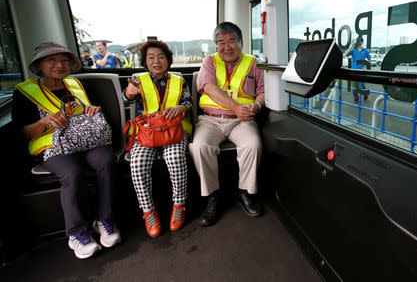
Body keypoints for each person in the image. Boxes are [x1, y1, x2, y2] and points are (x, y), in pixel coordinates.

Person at [12, 42, 121, 259]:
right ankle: (77, 232)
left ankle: (104, 219)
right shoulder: (25, 92)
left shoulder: (75, 85)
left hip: (86, 141)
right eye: (52, 60)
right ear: (39, 65)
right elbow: (23, 133)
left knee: (106, 161)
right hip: (52, 147)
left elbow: (90, 111)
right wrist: (44, 122)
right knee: (72, 173)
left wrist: (92, 109)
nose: (59, 65)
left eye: (64, 60)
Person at [189, 21, 265, 227]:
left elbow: (263, 91)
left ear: (241, 42)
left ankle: (245, 192)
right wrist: (235, 106)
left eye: (231, 40)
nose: (226, 46)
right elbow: (208, 87)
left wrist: (256, 107)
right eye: (220, 42)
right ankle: (213, 196)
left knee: (253, 145)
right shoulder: (210, 61)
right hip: (210, 120)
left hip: (242, 120)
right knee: (200, 147)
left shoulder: (254, 63)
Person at [123, 40, 193, 238]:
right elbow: (126, 98)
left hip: (173, 132)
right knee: (137, 162)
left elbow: (188, 101)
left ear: (168, 60)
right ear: (145, 61)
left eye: (161, 56)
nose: (156, 61)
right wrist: (129, 92)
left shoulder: (179, 81)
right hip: (146, 133)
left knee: (175, 158)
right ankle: (148, 210)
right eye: (151, 57)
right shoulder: (137, 79)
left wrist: (181, 108)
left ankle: (179, 205)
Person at [344, 37, 371, 102]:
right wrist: (351, 46)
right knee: (354, 84)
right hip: (354, 70)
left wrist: (366, 66)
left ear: (361, 42)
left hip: (361, 71)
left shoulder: (365, 50)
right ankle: (356, 98)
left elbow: (369, 59)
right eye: (357, 41)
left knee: (362, 85)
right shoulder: (353, 50)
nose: (358, 42)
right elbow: (346, 54)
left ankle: (365, 94)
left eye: (359, 41)